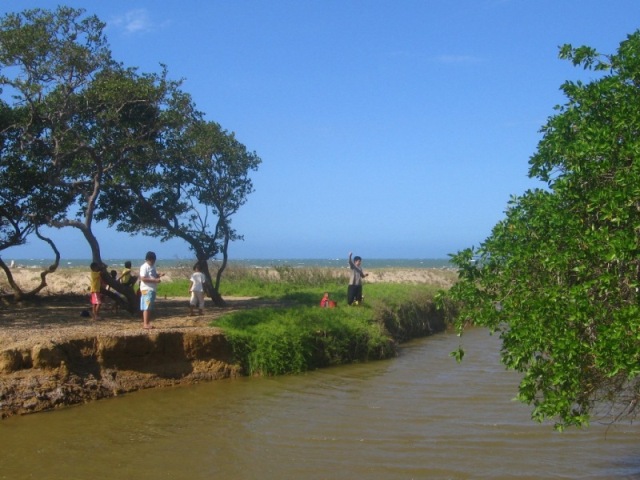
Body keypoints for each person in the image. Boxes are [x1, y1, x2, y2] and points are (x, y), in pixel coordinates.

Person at [139, 251, 164, 329]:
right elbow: (143, 278)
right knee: (147, 306)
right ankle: (145, 323)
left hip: (152, 289)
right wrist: (155, 281)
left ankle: (147, 322)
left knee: (149, 307)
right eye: (152, 260)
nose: (153, 262)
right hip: (147, 289)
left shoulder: (152, 267)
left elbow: (152, 275)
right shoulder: (144, 267)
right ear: (148, 259)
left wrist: (159, 275)